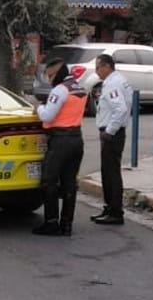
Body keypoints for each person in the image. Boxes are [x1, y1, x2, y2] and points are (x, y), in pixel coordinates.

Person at [32, 57, 87, 236]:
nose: (49, 79)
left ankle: (51, 222)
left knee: (49, 181)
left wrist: (38, 108)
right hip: (76, 139)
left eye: (50, 75)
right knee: (70, 183)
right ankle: (67, 224)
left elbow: (47, 116)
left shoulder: (60, 90)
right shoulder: (79, 87)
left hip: (60, 140)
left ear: (57, 73)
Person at [92, 54, 132, 226]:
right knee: (107, 172)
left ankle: (115, 212)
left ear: (107, 66)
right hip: (114, 131)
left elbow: (121, 109)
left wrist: (109, 131)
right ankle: (109, 208)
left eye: (98, 67)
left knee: (111, 174)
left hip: (112, 134)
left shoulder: (113, 83)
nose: (96, 71)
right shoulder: (116, 80)